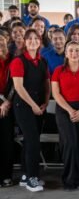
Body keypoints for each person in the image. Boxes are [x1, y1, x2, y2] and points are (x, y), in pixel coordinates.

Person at [10, 29, 50, 192]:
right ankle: (32, 178)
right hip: (24, 106)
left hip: (39, 105)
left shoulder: (42, 61)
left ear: (40, 42)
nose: (33, 41)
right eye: (29, 39)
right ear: (25, 42)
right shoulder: (18, 61)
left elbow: (46, 85)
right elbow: (18, 87)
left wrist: (46, 102)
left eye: (36, 38)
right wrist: (33, 105)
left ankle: (25, 174)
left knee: (29, 140)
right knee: (33, 141)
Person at [51, 41, 79, 191]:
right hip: (64, 109)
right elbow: (56, 94)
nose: (74, 53)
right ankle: (69, 179)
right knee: (70, 143)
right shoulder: (58, 71)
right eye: (71, 51)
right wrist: (70, 110)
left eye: (77, 50)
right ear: (66, 53)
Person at [0, 30, 14, 188]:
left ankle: (6, 176)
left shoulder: (12, 60)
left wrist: (6, 102)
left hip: (7, 106)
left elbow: (13, 85)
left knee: (6, 142)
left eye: (2, 42)